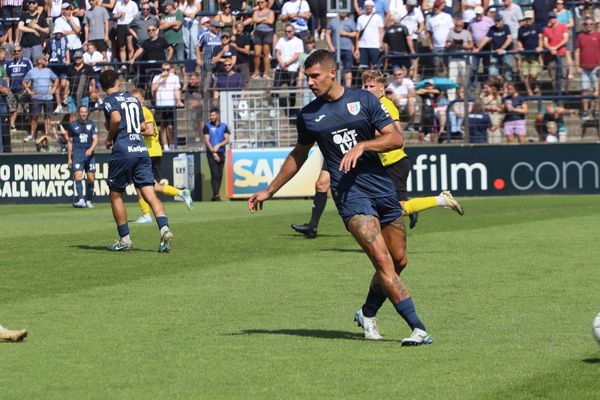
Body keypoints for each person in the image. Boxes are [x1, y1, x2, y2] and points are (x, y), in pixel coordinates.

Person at [249, 50, 432, 345]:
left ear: (332, 73)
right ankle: (418, 328)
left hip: (382, 188)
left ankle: (367, 312)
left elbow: (396, 138)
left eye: (315, 76)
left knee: (399, 260)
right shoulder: (309, 115)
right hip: (350, 195)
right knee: (383, 261)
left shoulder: (365, 100)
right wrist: (269, 190)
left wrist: (364, 146)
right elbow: (299, 154)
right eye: (306, 77)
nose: (309, 82)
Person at [291, 70, 463, 237]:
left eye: (371, 86)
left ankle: (441, 200)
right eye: (365, 86)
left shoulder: (385, 106)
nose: (367, 90)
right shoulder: (362, 104)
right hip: (367, 161)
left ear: (382, 88)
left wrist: (361, 135)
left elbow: (394, 135)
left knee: (398, 209)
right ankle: (313, 225)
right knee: (329, 186)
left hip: (393, 163)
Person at [99, 69, 173, 252]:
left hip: (123, 150)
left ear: (102, 86)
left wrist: (109, 138)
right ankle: (164, 229)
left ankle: (125, 239)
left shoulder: (109, 101)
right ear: (117, 81)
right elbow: (141, 125)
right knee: (149, 193)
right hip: (141, 149)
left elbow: (115, 119)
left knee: (115, 194)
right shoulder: (133, 99)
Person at [130, 88, 192, 223]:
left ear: (141, 100)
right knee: (148, 186)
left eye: (135, 99)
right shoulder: (136, 113)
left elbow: (151, 131)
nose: (132, 101)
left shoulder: (144, 112)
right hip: (146, 153)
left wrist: (133, 133)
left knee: (145, 186)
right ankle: (181, 193)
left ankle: (147, 215)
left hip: (150, 153)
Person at [22, 56, 59, 149]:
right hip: (36, 97)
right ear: (39, 60)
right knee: (34, 116)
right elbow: (24, 82)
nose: (44, 61)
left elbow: (56, 79)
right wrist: (29, 91)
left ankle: (46, 133)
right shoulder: (32, 71)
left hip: (48, 97)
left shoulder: (49, 71)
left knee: (48, 116)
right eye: (43, 59)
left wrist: (54, 88)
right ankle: (32, 134)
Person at [68, 105, 98, 208]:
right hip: (78, 155)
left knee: (91, 178)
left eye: (85, 112)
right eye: (82, 112)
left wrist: (90, 149)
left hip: (90, 155)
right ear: (78, 113)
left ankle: (89, 200)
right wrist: (69, 158)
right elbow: (70, 142)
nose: (84, 114)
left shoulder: (92, 124)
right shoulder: (72, 125)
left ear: (87, 113)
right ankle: (81, 200)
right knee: (78, 176)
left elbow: (95, 139)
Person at [151, 62, 184, 150]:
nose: (165, 71)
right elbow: (153, 89)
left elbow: (176, 90)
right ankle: (165, 147)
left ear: (171, 69)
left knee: (170, 127)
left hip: (170, 105)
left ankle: (172, 144)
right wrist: (161, 78)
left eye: (167, 70)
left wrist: (179, 101)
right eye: (163, 69)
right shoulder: (157, 77)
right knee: (163, 127)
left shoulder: (175, 77)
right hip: (160, 105)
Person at [575, 17, 600, 120]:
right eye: (586, 24)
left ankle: (597, 110)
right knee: (584, 90)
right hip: (584, 68)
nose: (588, 25)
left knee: (597, 91)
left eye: (590, 24)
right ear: (584, 25)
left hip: (596, 67)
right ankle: (585, 111)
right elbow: (577, 51)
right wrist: (577, 66)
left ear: (593, 25)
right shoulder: (580, 36)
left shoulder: (598, 36)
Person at [203, 108, 230, 201]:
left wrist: (218, 145)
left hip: (221, 152)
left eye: (213, 115)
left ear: (218, 116)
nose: (211, 117)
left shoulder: (224, 126)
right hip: (211, 153)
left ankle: (215, 195)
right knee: (214, 174)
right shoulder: (207, 126)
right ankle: (216, 195)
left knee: (219, 174)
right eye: (210, 115)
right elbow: (207, 141)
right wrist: (214, 153)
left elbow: (227, 140)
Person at [517, 10, 543, 96]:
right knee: (525, 75)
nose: (528, 21)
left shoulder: (537, 26)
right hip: (525, 54)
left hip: (535, 55)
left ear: (532, 19)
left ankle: (535, 84)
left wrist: (540, 46)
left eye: (529, 19)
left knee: (533, 74)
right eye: (526, 19)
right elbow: (519, 40)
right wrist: (520, 47)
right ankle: (529, 91)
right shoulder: (521, 29)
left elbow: (540, 37)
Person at [248, 0, 275, 80]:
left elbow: (271, 21)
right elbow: (254, 20)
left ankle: (266, 73)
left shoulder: (270, 12)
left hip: (267, 32)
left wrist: (260, 19)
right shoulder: (256, 12)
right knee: (257, 53)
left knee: (266, 53)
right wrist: (264, 18)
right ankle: (256, 72)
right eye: (258, 2)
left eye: (262, 2)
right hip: (258, 33)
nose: (260, 4)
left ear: (266, 3)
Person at [356, 0, 384, 70]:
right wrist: (357, 48)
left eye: (370, 6)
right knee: (364, 67)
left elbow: (381, 32)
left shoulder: (378, 17)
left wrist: (380, 43)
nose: (368, 8)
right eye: (367, 6)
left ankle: (376, 81)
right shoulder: (360, 18)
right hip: (363, 45)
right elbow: (358, 34)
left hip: (375, 45)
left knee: (375, 66)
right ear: (364, 7)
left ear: (372, 7)